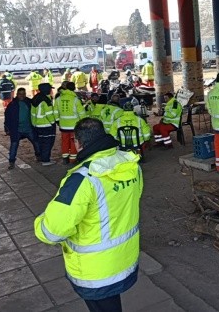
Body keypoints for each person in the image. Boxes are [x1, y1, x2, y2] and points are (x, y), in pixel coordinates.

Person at [34, 117, 143, 312]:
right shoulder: (130, 165)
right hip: (124, 259)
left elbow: (52, 232)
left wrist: (42, 220)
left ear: (77, 142)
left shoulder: (82, 179)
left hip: (95, 271)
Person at [4, 87, 41, 169]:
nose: (22, 95)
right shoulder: (12, 105)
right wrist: (6, 129)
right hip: (16, 129)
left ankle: (39, 156)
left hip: (28, 128)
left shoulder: (29, 102)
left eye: (23, 94)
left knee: (36, 142)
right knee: (14, 145)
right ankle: (11, 162)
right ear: (17, 94)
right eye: (20, 94)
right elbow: (7, 118)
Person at [55, 81, 85, 165]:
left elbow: (55, 112)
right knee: (73, 142)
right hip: (74, 125)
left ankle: (65, 158)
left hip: (63, 125)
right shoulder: (75, 99)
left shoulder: (58, 99)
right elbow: (82, 113)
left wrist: (58, 121)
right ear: (74, 88)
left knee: (64, 141)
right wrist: (83, 122)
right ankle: (72, 159)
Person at [31, 82, 57, 166]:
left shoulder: (35, 98)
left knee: (41, 142)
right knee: (48, 143)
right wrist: (53, 123)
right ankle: (46, 160)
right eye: (50, 89)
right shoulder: (46, 100)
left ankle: (43, 158)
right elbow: (49, 114)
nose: (51, 91)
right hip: (46, 125)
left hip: (37, 125)